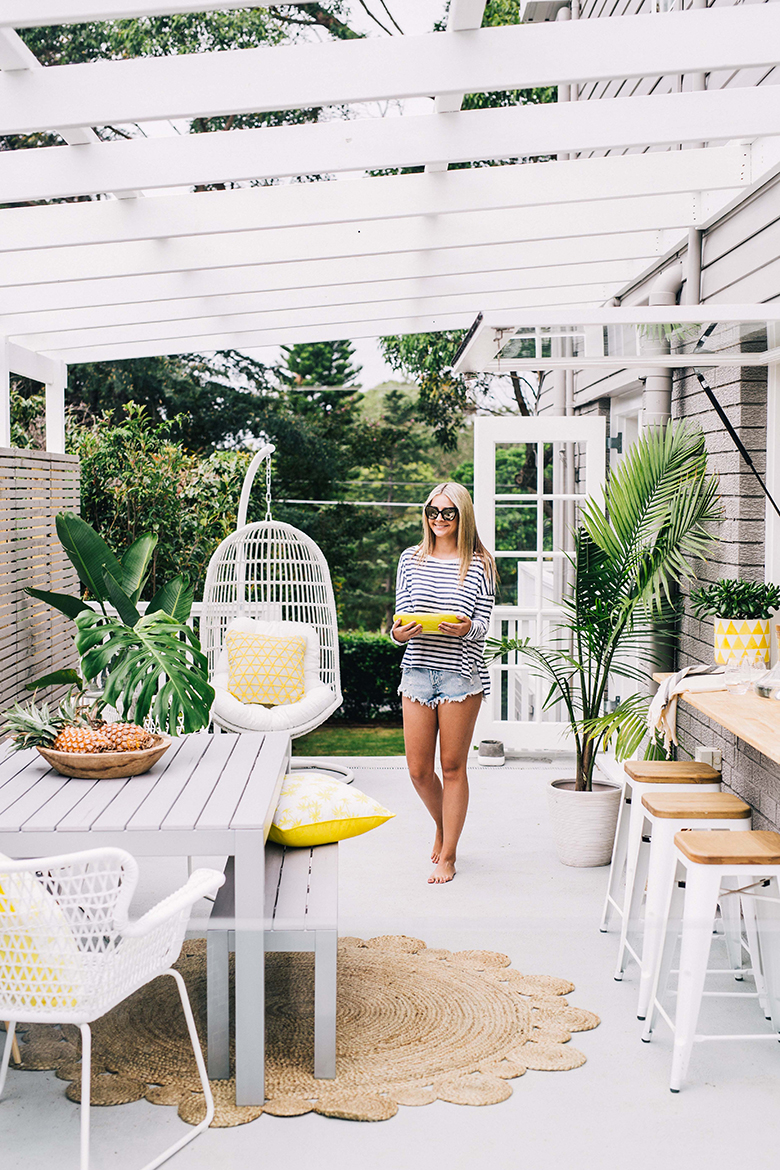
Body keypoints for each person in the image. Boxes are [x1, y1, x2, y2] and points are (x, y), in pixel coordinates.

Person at [391, 482, 496, 884]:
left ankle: (449, 853)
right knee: (419, 771)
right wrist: (398, 633)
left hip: (460, 674)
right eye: (432, 511)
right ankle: (443, 824)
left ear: (462, 516)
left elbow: (482, 625)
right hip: (417, 670)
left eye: (447, 513)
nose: (438, 519)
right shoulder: (410, 559)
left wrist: (466, 628)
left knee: (452, 768)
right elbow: (400, 619)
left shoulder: (480, 562)